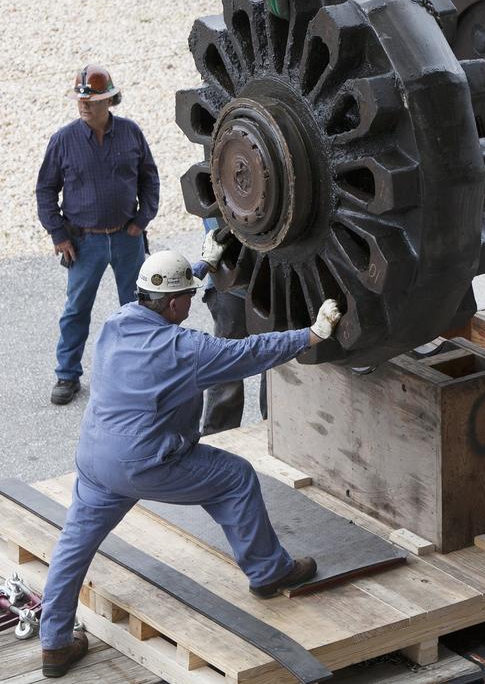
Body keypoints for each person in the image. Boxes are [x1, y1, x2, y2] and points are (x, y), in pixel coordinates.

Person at [37, 244, 342, 678]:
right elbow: (250, 353)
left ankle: (54, 645)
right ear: (177, 303)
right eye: (190, 295)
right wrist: (310, 336)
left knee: (73, 546)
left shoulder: (118, 321)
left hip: (96, 458)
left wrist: (204, 264)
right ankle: (269, 572)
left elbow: (164, 289)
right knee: (233, 479)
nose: (192, 302)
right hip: (147, 462)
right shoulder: (186, 350)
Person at [36, 64, 159, 406]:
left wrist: (141, 221)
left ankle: (138, 373)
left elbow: (150, 179)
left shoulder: (131, 134)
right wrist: (58, 235)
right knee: (76, 309)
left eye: (92, 99)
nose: (84, 105)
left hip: (126, 238)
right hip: (83, 243)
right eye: (80, 99)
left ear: (110, 101)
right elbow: (45, 190)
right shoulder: (63, 140)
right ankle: (67, 374)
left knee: (138, 308)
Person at [199, 218, 265, 434]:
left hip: (275, 282)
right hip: (231, 285)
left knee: (278, 363)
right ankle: (219, 439)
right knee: (226, 365)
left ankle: (275, 431)